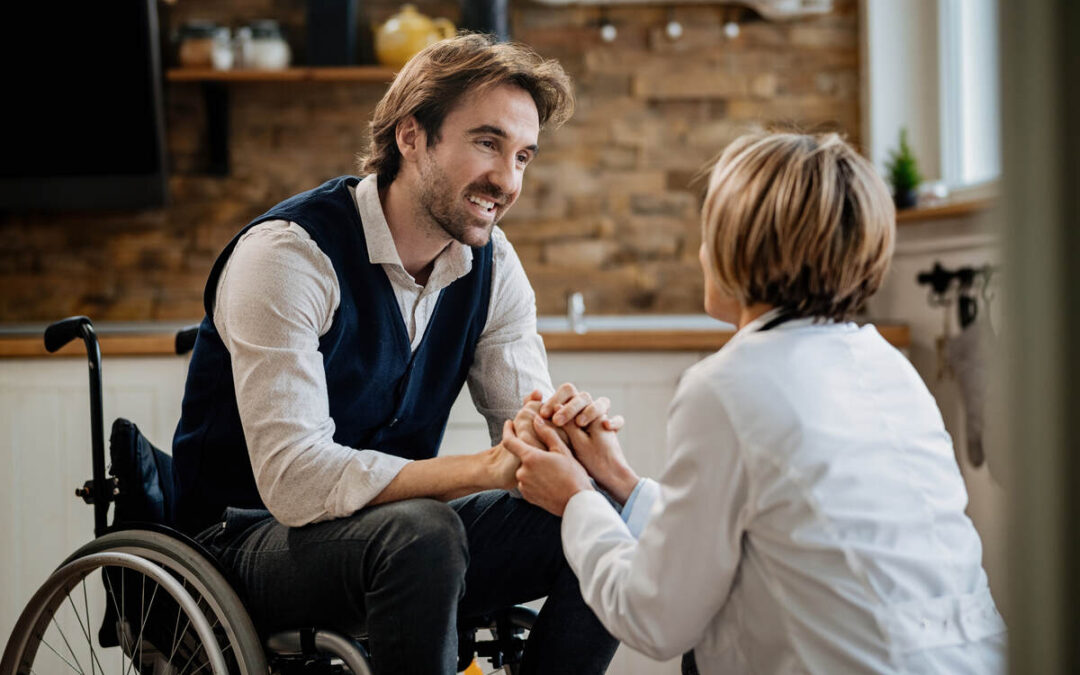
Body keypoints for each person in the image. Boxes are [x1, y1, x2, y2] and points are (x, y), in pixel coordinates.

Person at [171, 34, 619, 675]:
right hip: (241, 543)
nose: (508, 179)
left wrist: (562, 437)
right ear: (411, 136)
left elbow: (522, 438)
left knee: (594, 515)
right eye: (487, 143)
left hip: (392, 537)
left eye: (523, 156)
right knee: (423, 534)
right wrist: (489, 468)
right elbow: (295, 484)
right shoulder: (289, 255)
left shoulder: (493, 267)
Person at [505, 133, 1008, 674]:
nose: (701, 250)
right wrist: (621, 480)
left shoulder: (727, 383)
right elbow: (773, 533)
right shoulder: (885, 364)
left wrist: (578, 499)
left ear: (736, 247)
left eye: (708, 230)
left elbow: (654, 618)